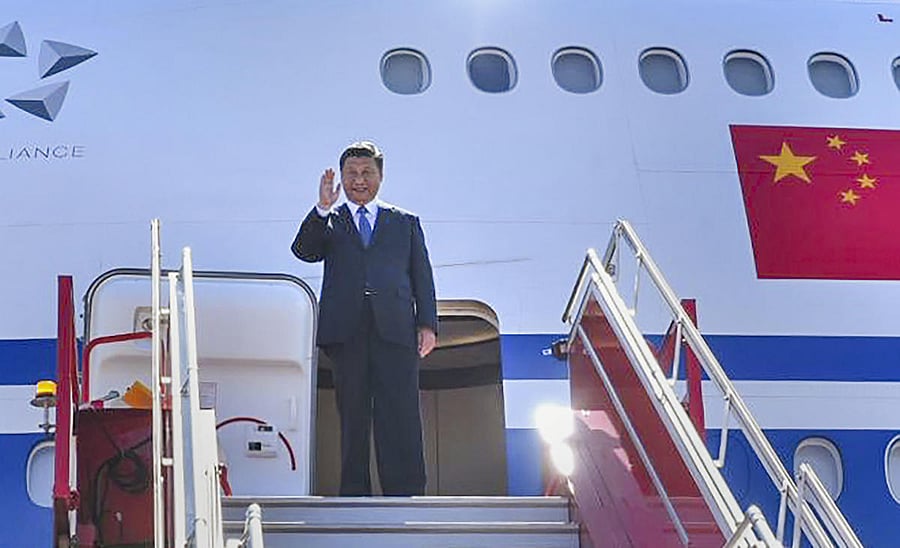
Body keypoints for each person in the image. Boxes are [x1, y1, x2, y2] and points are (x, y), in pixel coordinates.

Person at [291, 141, 437, 496]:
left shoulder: (405, 222)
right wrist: (322, 207)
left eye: (367, 173)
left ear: (380, 176)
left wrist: (428, 325)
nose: (359, 180)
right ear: (341, 178)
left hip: (396, 329)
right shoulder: (331, 220)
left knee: (400, 413)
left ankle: (406, 492)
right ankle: (354, 493)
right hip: (348, 331)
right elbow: (303, 251)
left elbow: (422, 275)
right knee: (353, 415)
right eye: (352, 174)